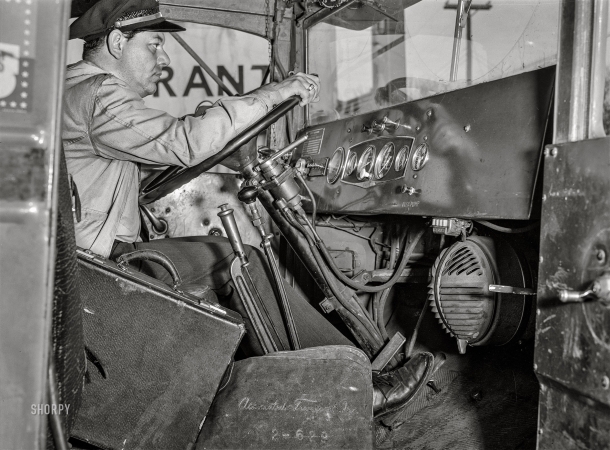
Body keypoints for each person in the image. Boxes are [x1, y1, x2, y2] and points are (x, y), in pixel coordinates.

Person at [63, 0, 433, 421]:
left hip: (85, 266)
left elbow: (167, 150)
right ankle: (354, 392)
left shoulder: (77, 93)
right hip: (97, 274)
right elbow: (185, 142)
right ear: (116, 42)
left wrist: (217, 138)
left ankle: (284, 389)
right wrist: (278, 90)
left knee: (221, 254)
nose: (163, 58)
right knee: (240, 259)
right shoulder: (97, 94)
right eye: (154, 44)